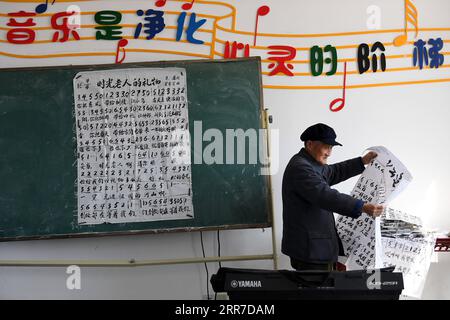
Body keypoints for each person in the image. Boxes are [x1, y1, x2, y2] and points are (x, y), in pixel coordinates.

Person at [281, 123, 384, 271]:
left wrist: (362, 161)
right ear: (309, 144)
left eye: (331, 148)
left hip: (315, 248)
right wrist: (361, 206)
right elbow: (325, 195)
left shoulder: (311, 163)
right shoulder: (301, 168)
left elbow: (334, 171)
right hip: (310, 252)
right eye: (326, 147)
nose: (329, 153)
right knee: (318, 293)